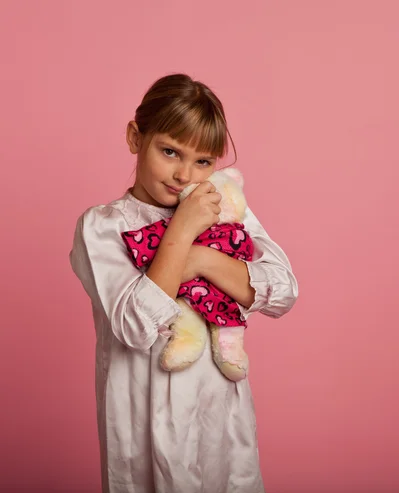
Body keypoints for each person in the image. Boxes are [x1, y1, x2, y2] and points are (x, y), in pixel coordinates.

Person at [69, 73, 298, 493]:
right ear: (136, 138)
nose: (183, 175)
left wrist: (202, 258)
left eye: (203, 162)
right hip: (143, 420)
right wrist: (183, 230)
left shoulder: (225, 211)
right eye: (170, 151)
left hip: (219, 419)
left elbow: (282, 290)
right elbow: (135, 325)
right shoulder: (103, 227)